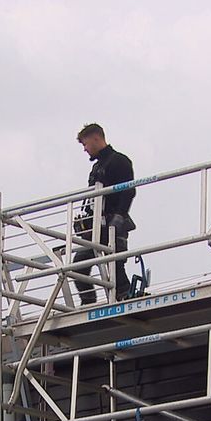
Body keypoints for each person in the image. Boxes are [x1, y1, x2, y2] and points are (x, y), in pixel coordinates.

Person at [72, 123, 136, 305]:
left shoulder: (119, 161)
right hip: (95, 226)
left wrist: (119, 217)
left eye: (85, 144)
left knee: (116, 266)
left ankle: (125, 298)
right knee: (78, 268)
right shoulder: (97, 167)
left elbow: (128, 191)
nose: (84, 149)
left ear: (96, 138)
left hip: (113, 223)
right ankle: (89, 303)